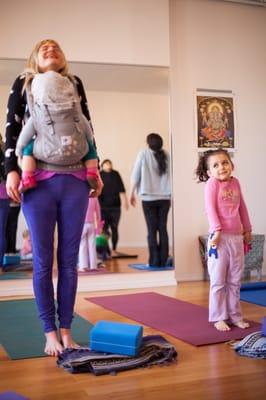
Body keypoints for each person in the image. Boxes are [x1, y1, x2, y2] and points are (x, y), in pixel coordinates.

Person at [4, 39, 102, 356]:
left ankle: (66, 330)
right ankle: (49, 332)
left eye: (56, 47)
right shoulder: (24, 82)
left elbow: (86, 126)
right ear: (34, 57)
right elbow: (12, 128)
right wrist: (11, 170)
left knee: (69, 262)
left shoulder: (74, 83)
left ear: (63, 58)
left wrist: (94, 169)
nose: (50, 49)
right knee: (43, 261)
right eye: (43, 47)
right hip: (39, 181)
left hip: (74, 179)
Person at [195, 148, 252, 332]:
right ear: (209, 171)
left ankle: (235, 315)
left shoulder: (236, 183)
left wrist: (248, 229)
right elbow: (210, 209)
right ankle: (219, 316)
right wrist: (217, 230)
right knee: (218, 280)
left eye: (225, 162)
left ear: (232, 165)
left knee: (235, 280)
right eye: (216, 165)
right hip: (218, 239)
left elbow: (242, 206)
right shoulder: (212, 184)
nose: (221, 167)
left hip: (236, 237)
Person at [15, 70, 99, 193]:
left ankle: (28, 177)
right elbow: (88, 130)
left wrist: (19, 150)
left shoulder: (38, 114)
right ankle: (92, 172)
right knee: (90, 148)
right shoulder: (76, 112)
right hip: (77, 151)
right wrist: (90, 142)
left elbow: (25, 134)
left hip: (46, 153)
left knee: (28, 149)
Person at [129, 133, 171, 267]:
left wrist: (131, 193)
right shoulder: (167, 155)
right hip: (165, 197)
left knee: (151, 230)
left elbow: (135, 175)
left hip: (148, 198)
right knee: (162, 229)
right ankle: (163, 260)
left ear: (148, 143)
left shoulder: (143, 153)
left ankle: (154, 261)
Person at [99, 159, 129, 254]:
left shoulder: (116, 174)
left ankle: (114, 249)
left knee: (115, 228)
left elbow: (122, 188)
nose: (108, 165)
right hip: (102, 207)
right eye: (106, 164)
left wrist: (126, 202)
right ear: (102, 165)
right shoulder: (99, 174)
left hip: (115, 207)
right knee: (103, 229)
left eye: (110, 163)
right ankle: (105, 250)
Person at [78, 197, 102, 271]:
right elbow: (98, 213)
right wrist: (98, 226)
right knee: (92, 245)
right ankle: (93, 266)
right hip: (91, 224)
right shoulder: (94, 198)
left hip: (82, 224)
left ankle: (83, 266)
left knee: (82, 245)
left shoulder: (80, 197)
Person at [0, 134, 10, 271]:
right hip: (3, 193)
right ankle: (0, 266)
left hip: (3, 193)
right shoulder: (5, 149)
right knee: (1, 231)